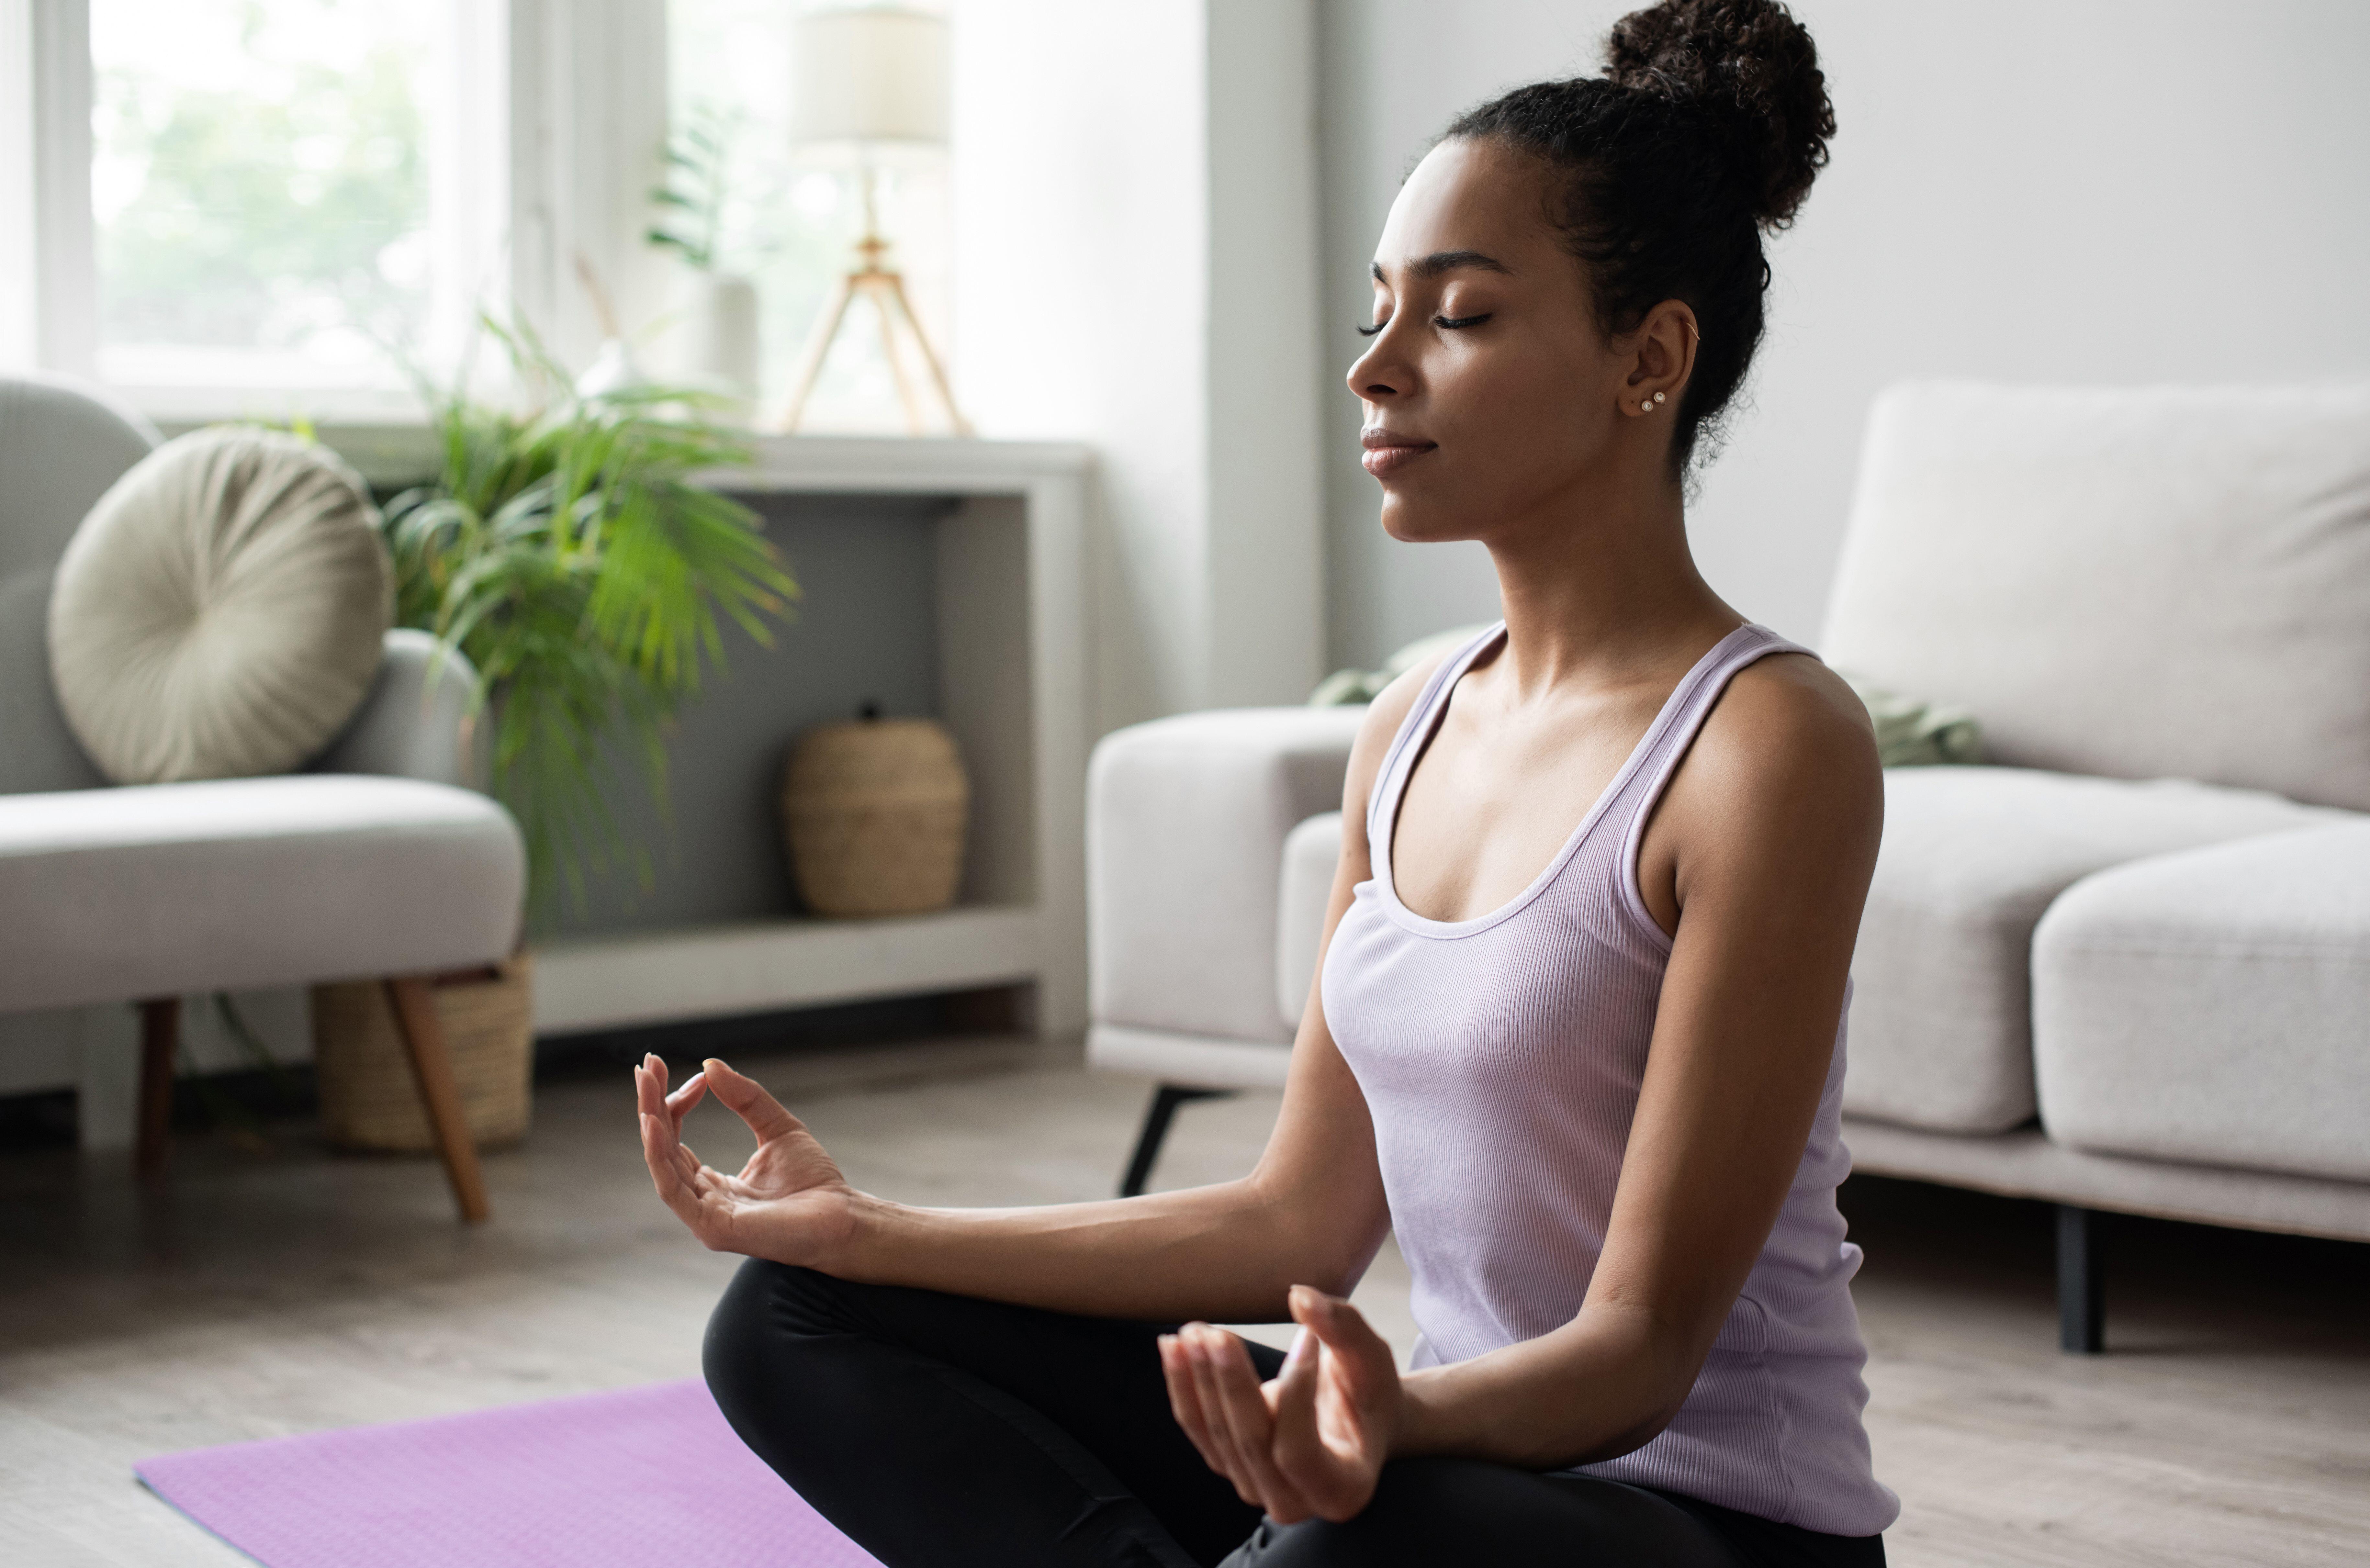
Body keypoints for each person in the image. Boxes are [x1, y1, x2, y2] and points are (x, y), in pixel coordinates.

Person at [635, 2, 1895, 1562]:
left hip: (1702, 1517)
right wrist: (869, 1227)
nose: (1374, 367)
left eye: (1460, 316)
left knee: (1328, 1542)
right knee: (796, 1315)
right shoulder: (1411, 721)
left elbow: (1638, 1349)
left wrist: (1376, 1426)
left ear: (1650, 356)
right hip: (1434, 1470)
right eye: (1378, 310)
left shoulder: (1768, 745)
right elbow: (1293, 1221)